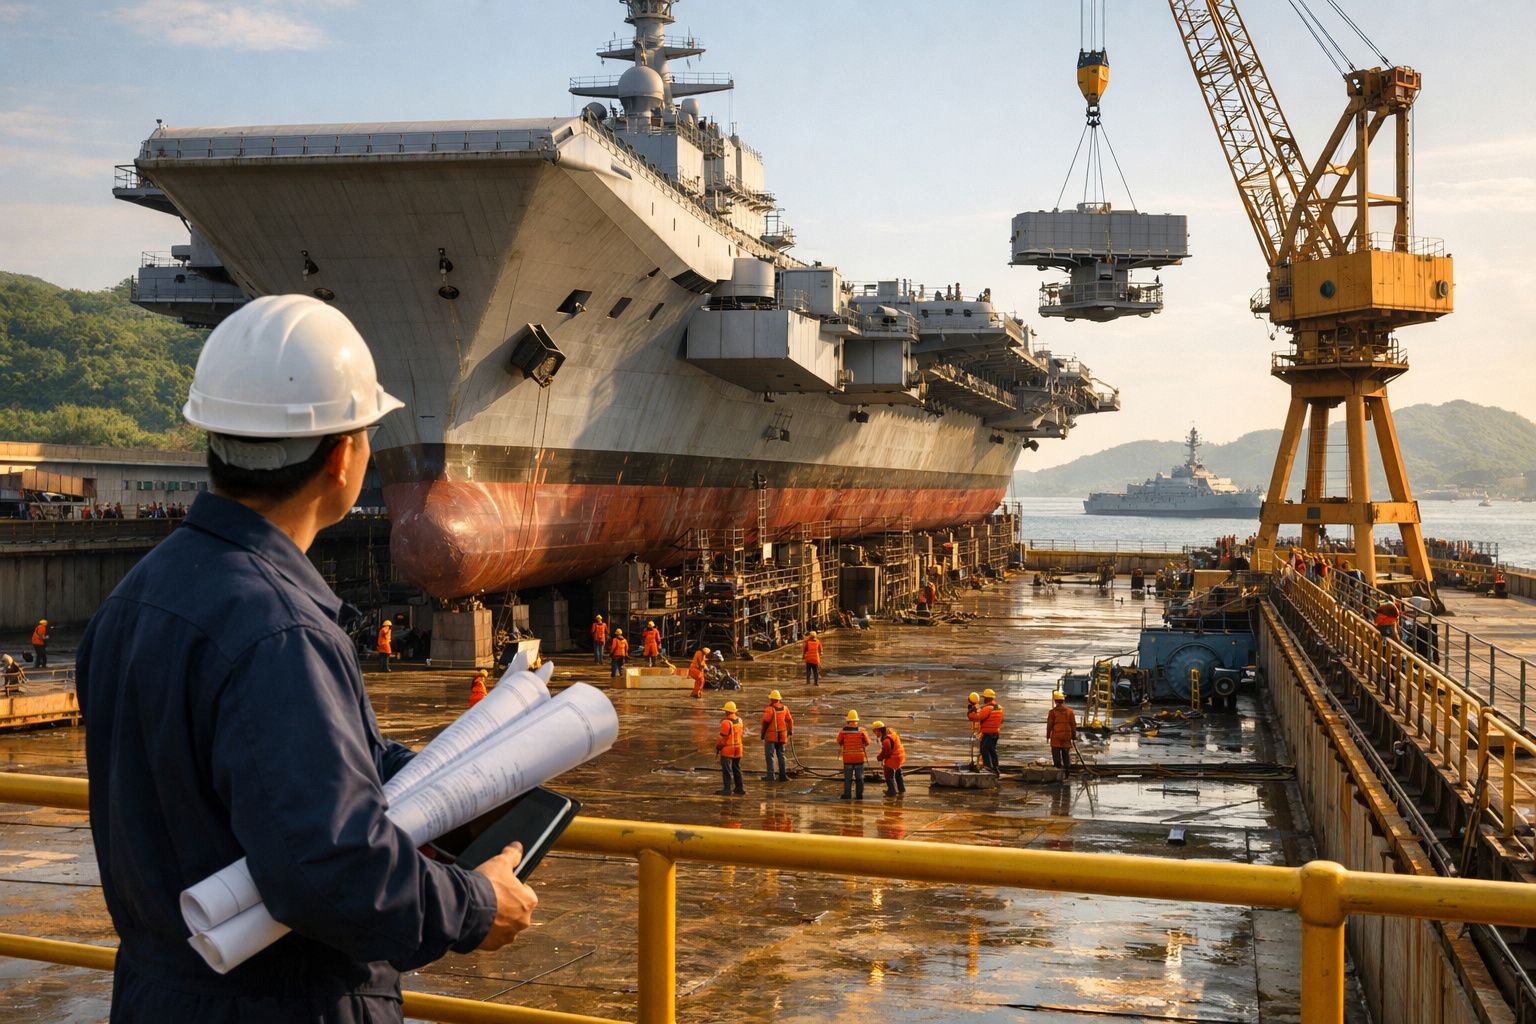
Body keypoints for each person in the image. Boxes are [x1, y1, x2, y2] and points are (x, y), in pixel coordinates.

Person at [75, 295, 534, 1023]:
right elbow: (330, 871)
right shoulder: (281, 630)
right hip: (284, 1005)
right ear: (343, 456)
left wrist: (450, 782)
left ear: (214, 440)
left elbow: (239, 776)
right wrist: (474, 905)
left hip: (160, 991)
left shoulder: (135, 598)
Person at [760, 690, 793, 781]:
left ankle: (771, 776)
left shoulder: (769, 709)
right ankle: (783, 776)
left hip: (771, 736)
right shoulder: (785, 708)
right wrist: (790, 731)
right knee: (781, 755)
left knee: (769, 756)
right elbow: (790, 720)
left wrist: (762, 734)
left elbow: (765, 723)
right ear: (779, 699)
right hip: (782, 736)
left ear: (771, 699)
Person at [837, 710, 870, 799]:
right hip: (859, 758)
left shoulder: (843, 731)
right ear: (856, 721)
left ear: (848, 721)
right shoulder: (862, 731)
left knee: (848, 779)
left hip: (847, 758)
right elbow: (867, 742)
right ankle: (859, 795)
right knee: (859, 778)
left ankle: (847, 795)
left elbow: (839, 742)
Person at [969, 687, 1004, 773]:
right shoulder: (999, 708)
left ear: (988, 698)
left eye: (984, 697)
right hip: (995, 733)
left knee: (984, 749)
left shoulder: (987, 708)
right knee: (992, 750)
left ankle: (988, 767)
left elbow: (977, 717)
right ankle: (995, 767)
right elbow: (1001, 720)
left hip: (988, 733)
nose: (983, 699)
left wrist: (970, 712)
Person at [716, 700, 745, 795]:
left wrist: (718, 747)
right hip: (738, 748)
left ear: (727, 711)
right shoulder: (740, 720)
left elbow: (723, 738)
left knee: (727, 770)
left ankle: (727, 789)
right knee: (737, 769)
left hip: (728, 750)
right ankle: (739, 788)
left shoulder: (726, 722)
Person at [872, 721, 906, 797]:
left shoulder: (886, 740)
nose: (875, 733)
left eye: (875, 731)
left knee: (888, 772)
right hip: (900, 755)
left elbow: (886, 753)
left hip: (895, 757)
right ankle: (901, 789)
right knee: (898, 772)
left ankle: (891, 791)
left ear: (879, 730)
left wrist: (879, 757)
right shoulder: (891, 732)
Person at [1046, 690, 1076, 772]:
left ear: (1055, 701)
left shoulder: (1052, 712)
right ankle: (1067, 772)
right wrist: (1073, 736)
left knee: (1056, 756)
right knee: (1066, 755)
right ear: (1063, 700)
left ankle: (1058, 771)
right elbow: (1073, 725)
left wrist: (1048, 736)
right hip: (1066, 737)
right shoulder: (1070, 712)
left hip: (1056, 737)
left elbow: (1049, 725)